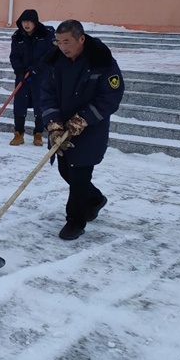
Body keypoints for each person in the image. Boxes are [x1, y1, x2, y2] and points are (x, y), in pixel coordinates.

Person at [40, 19, 125, 240]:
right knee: (65, 170)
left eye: (67, 41)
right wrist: (54, 124)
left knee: (79, 174)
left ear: (81, 39)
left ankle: (75, 221)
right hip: (62, 128)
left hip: (90, 129)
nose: (63, 47)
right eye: (58, 42)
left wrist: (83, 119)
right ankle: (95, 199)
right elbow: (46, 94)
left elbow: (111, 97)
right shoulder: (54, 61)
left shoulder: (101, 61)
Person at [8, 9, 56, 146]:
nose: (26, 24)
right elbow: (14, 56)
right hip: (23, 75)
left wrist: (37, 67)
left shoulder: (46, 35)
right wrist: (19, 71)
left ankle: (38, 134)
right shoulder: (18, 36)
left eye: (29, 22)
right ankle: (18, 134)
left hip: (41, 76)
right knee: (19, 104)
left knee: (39, 104)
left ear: (35, 22)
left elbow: (51, 54)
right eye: (24, 21)